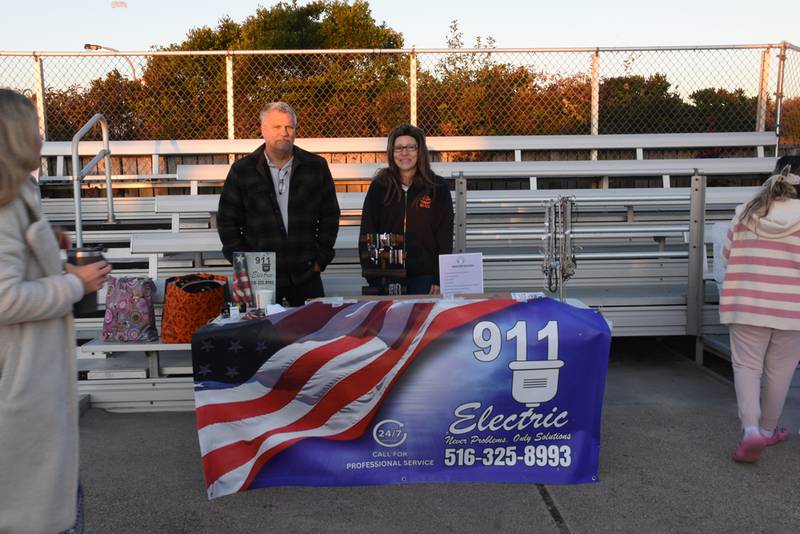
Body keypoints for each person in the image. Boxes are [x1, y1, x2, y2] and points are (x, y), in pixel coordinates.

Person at [0, 89, 111, 533]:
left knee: (54, 501)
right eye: (36, 127)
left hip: (33, 381)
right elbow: (5, 297)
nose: (43, 136)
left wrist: (52, 242)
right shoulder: (6, 207)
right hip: (21, 384)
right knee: (38, 513)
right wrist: (72, 284)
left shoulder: (18, 193)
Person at [217, 102, 340, 307]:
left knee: (311, 333)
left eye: (289, 127)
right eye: (277, 127)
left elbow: (330, 215)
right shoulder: (242, 171)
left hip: (306, 271)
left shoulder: (316, 167)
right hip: (259, 275)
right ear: (263, 130)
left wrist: (321, 258)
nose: (284, 132)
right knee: (259, 335)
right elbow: (227, 221)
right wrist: (244, 263)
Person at [719, 155, 800, 463]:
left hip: (747, 304)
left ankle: (750, 430)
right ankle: (767, 431)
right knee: (780, 371)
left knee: (747, 367)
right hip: (793, 309)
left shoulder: (745, 212)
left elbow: (727, 257)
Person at [359, 124, 454, 295]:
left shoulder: (437, 187)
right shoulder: (380, 186)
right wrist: (374, 277)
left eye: (411, 147)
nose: (404, 153)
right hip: (387, 275)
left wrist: (439, 278)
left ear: (420, 151)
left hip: (425, 276)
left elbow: (444, 237)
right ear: (391, 152)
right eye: (399, 148)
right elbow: (368, 232)